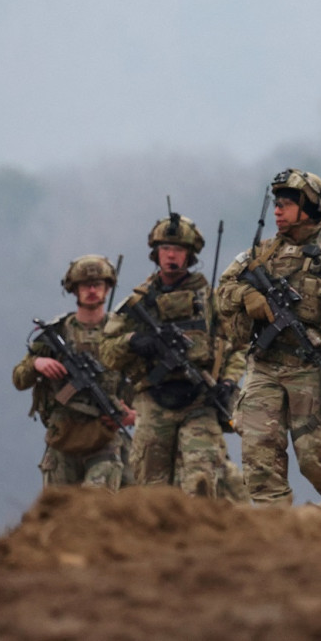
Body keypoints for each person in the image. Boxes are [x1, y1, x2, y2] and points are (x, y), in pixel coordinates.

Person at [216, 168, 321, 506]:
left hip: (311, 367)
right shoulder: (261, 254)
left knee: (314, 458)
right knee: (259, 454)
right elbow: (223, 291)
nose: (277, 211)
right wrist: (247, 297)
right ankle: (276, 531)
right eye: (276, 204)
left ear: (310, 207)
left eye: (286, 204)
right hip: (266, 365)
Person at [101, 212, 238, 498]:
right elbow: (107, 352)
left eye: (178, 250)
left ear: (190, 255)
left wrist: (228, 382)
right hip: (153, 401)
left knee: (201, 476)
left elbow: (237, 346)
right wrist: (134, 340)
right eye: (165, 249)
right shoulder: (138, 303)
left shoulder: (211, 300)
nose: (171, 256)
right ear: (156, 253)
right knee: (152, 489)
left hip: (200, 400)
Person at [13, 255, 135, 489]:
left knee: (96, 505)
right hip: (63, 436)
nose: (91, 290)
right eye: (85, 285)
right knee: (59, 512)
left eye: (98, 284)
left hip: (105, 434)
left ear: (107, 288)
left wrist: (134, 415)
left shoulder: (121, 334)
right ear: (74, 289)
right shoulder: (57, 333)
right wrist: (37, 364)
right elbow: (19, 378)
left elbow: (144, 380)